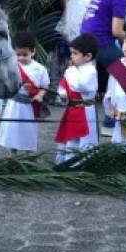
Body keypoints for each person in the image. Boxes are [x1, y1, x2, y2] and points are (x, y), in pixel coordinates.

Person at [0, 31, 49, 154]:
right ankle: (13, 155)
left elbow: (45, 86)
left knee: (28, 131)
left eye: (25, 54)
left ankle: (29, 156)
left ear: (33, 52)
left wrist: (40, 95)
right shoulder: (11, 66)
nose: (21, 57)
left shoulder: (40, 69)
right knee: (12, 131)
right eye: (18, 54)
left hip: (30, 106)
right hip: (14, 105)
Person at [55, 34, 99, 163]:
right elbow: (64, 83)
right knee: (70, 137)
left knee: (83, 139)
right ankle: (67, 162)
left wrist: (70, 71)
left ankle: (81, 164)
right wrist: (62, 93)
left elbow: (79, 86)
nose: (71, 56)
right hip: (72, 109)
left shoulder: (90, 71)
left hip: (85, 110)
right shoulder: (74, 69)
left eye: (75, 53)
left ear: (88, 56)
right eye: (71, 53)